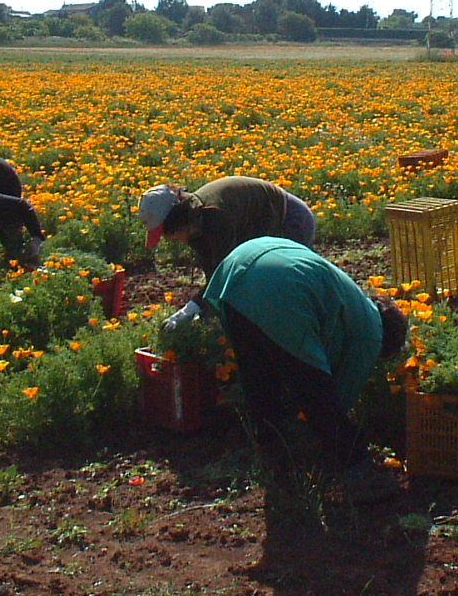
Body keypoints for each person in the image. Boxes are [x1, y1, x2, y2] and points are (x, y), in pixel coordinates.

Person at [199, 236, 409, 503]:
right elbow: (339, 393)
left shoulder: (352, 299)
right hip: (281, 286)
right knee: (316, 393)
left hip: (240, 269)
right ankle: (356, 468)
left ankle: (275, 458)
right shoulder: (372, 332)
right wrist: (323, 428)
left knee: (259, 380)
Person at [139, 176, 316, 327]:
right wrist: (203, 312)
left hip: (290, 220)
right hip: (259, 228)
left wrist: (192, 308)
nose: (169, 239)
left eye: (168, 233)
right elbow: (214, 273)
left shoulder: (214, 218)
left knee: (285, 289)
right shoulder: (194, 223)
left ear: (176, 220)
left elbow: (226, 274)